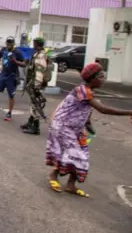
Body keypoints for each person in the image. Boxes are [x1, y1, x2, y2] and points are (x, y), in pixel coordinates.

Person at [46, 63, 132, 197]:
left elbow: (86, 108)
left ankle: (70, 185)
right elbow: (102, 109)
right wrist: (129, 112)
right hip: (63, 126)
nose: (104, 79)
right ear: (92, 78)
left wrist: (88, 123)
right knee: (73, 154)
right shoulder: (82, 90)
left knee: (83, 154)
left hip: (76, 128)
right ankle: (53, 174)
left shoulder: (89, 91)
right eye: (101, 76)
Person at [0, 36, 26, 121]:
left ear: (13, 43)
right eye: (8, 42)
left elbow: (24, 64)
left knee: (11, 95)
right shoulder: (4, 50)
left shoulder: (17, 52)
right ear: (6, 43)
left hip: (12, 76)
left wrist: (15, 61)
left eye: (11, 42)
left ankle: (9, 113)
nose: (9, 44)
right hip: (3, 74)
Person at [21, 37, 51, 135]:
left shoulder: (41, 56)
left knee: (36, 105)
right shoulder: (37, 53)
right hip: (34, 82)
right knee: (33, 104)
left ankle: (35, 128)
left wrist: (36, 86)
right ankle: (30, 123)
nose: (33, 45)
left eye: (34, 43)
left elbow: (39, 71)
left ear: (37, 44)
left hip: (37, 84)